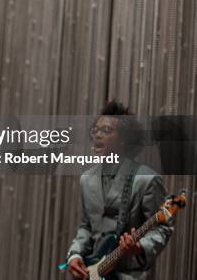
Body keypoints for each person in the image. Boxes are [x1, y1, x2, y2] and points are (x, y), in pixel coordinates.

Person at [66, 101, 173, 280]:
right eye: (95, 130)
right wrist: (75, 254)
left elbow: (162, 228)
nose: (98, 135)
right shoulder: (86, 179)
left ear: (124, 139)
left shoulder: (146, 180)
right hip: (93, 272)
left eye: (106, 131)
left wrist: (140, 247)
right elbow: (86, 227)